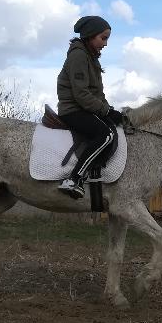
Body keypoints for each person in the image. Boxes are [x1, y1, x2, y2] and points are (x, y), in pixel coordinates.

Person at [56, 15, 125, 199]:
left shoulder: (92, 59)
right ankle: (74, 179)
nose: (106, 44)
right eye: (103, 38)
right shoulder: (78, 56)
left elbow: (97, 94)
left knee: (112, 128)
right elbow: (81, 94)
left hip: (84, 108)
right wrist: (106, 111)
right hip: (73, 109)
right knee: (106, 134)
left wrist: (110, 111)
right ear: (90, 36)